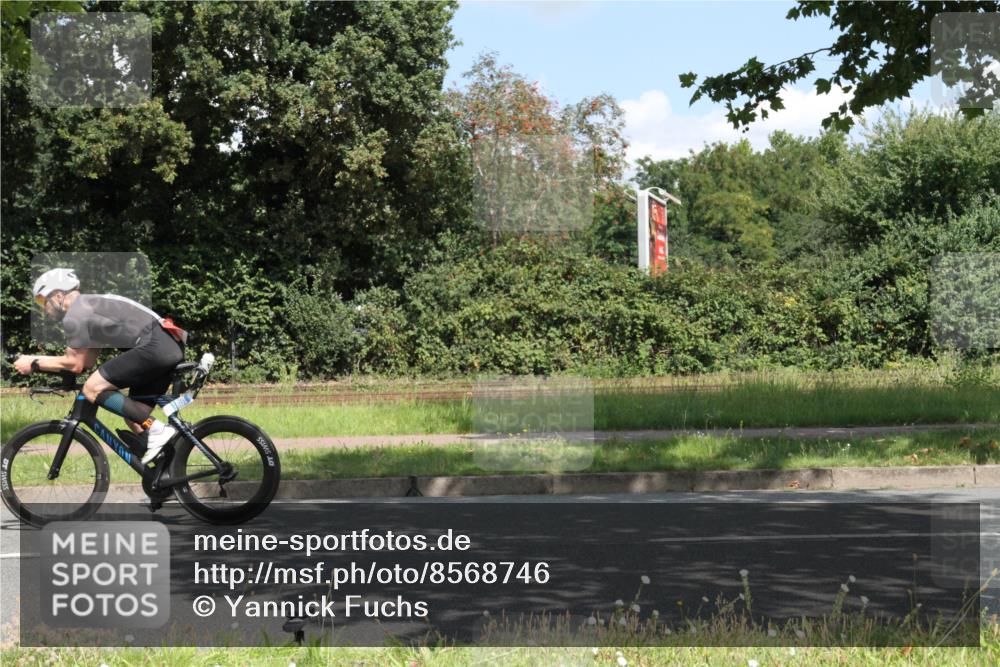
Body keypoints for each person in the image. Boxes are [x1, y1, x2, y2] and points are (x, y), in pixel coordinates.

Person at [12, 268, 188, 464]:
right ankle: (166, 476)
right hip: (167, 344)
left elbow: (75, 363)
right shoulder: (90, 307)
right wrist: (43, 365)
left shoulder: (76, 313)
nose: (43, 308)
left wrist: (34, 363)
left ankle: (157, 428)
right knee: (135, 418)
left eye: (43, 301)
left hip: (155, 346)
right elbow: (85, 362)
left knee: (92, 388)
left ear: (59, 295)